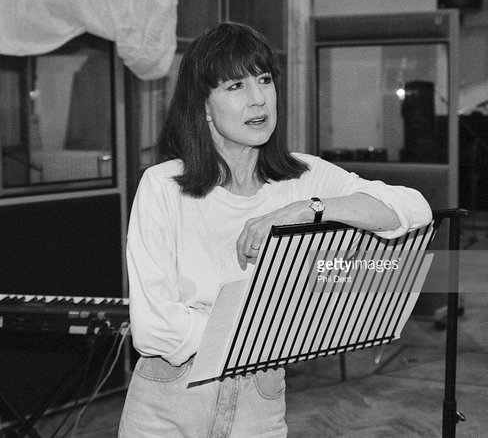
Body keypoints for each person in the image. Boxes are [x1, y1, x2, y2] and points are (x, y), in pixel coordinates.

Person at [119, 22, 432, 437]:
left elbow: (415, 208)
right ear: (203, 106)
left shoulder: (303, 178)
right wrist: (272, 328)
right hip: (170, 398)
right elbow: (153, 329)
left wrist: (308, 210)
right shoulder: (163, 185)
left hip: (261, 397)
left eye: (264, 80)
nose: (258, 98)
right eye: (236, 86)